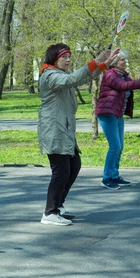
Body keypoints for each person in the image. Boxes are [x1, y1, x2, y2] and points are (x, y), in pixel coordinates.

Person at [38, 44, 119, 226]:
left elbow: (83, 77)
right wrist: (97, 60)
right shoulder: (49, 75)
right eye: (64, 57)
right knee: (61, 171)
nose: (68, 60)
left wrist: (105, 63)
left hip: (64, 129)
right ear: (54, 58)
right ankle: (49, 212)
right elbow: (75, 78)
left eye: (69, 57)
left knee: (74, 165)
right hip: (54, 130)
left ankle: (58, 206)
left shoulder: (61, 74)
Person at [96, 50, 140, 189]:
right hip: (107, 113)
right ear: (115, 62)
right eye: (122, 60)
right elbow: (123, 86)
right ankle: (107, 178)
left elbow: (132, 84)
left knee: (119, 147)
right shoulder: (110, 74)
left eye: (125, 60)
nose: (125, 62)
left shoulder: (123, 75)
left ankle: (114, 176)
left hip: (117, 114)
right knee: (115, 146)